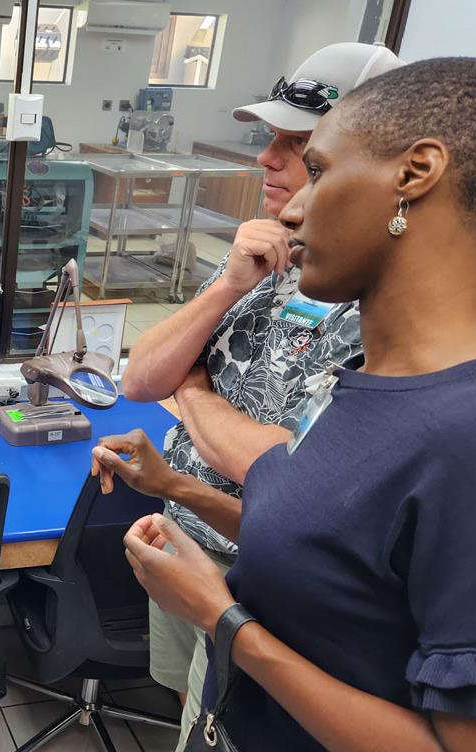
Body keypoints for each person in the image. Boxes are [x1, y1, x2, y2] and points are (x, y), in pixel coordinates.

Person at [95, 57, 476, 750]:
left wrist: (226, 622)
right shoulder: (367, 387)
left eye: (318, 169)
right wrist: (177, 488)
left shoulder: (473, 439)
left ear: (415, 173)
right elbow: (327, 548)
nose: (288, 207)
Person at [117, 42, 403, 738]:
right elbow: (139, 378)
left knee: (235, 715)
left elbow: (292, 467)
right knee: (193, 710)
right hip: (187, 534)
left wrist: (190, 392)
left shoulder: (386, 300)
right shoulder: (267, 256)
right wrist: (229, 284)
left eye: (299, 146)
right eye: (270, 139)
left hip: (267, 567)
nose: (266, 160)